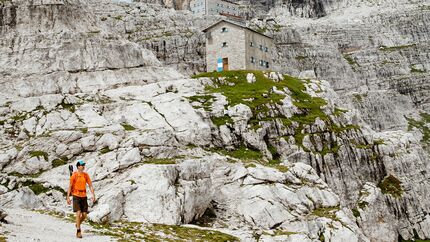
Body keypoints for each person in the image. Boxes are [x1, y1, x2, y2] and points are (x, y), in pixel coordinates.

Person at [67, 160, 96, 238]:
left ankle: (78, 223)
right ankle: (78, 231)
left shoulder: (86, 175)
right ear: (78, 166)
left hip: (84, 196)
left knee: (84, 215)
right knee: (78, 212)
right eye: (82, 165)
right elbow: (70, 186)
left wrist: (93, 195)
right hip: (76, 195)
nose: (83, 166)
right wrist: (68, 197)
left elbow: (90, 185)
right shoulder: (74, 175)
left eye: (84, 165)